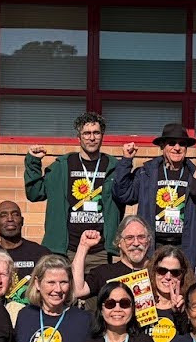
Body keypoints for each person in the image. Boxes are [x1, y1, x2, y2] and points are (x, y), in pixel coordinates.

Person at [24, 111, 124, 263]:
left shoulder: (113, 167)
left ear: (102, 135)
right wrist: (33, 162)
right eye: (87, 133)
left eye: (96, 133)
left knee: (99, 287)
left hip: (99, 251)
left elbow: (127, 194)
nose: (92, 137)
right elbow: (35, 193)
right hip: (66, 251)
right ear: (79, 137)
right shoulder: (63, 166)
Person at [112, 124, 196, 270]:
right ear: (162, 146)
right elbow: (123, 194)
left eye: (182, 144)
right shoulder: (147, 173)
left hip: (184, 247)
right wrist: (126, 161)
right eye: (171, 143)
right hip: (152, 248)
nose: (177, 148)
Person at [74, 216, 153, 299]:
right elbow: (78, 291)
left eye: (141, 237)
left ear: (148, 241)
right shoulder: (105, 273)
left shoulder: (160, 271)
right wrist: (83, 246)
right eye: (129, 238)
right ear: (119, 242)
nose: (136, 243)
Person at [0, 200, 51, 291]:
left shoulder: (41, 254)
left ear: (22, 221)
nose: (10, 219)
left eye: (15, 214)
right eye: (3, 215)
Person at [146, 245, 194, 342]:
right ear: (153, 271)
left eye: (175, 272)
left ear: (183, 275)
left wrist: (180, 315)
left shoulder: (191, 304)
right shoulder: (142, 302)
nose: (168, 277)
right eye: (162, 271)